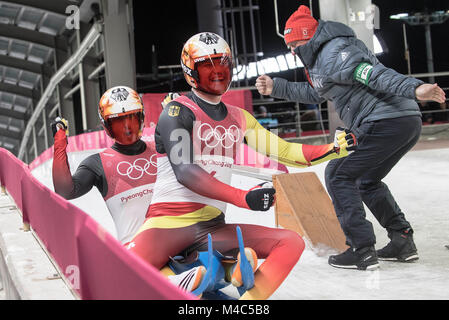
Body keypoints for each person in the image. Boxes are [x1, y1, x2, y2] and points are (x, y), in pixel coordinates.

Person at [126, 32, 356, 300]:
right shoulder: (177, 111)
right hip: (166, 225)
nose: (216, 73)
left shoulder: (240, 118)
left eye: (222, 65)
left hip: (212, 227)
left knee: (291, 242)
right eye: (206, 66)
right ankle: (181, 280)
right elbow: (186, 172)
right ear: (191, 72)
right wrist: (244, 198)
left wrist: (333, 150)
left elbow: (285, 151)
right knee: (119, 273)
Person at [255, 5, 446, 270]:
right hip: (401, 121)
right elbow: (317, 93)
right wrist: (277, 86)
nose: (292, 52)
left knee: (338, 173)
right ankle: (402, 240)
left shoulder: (337, 53)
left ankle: (362, 250)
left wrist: (415, 88)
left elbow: (375, 75)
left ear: (305, 39)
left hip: (384, 120)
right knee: (366, 180)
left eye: (293, 45)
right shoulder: (323, 59)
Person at [51, 86, 204, 292]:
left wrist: (177, 118)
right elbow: (65, 190)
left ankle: (220, 268)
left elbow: (196, 157)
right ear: (107, 127)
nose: (127, 128)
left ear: (141, 118)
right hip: (135, 249)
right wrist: (60, 142)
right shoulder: (97, 163)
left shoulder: (160, 146)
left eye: (131, 119)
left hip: (176, 240)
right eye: (118, 122)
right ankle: (171, 282)